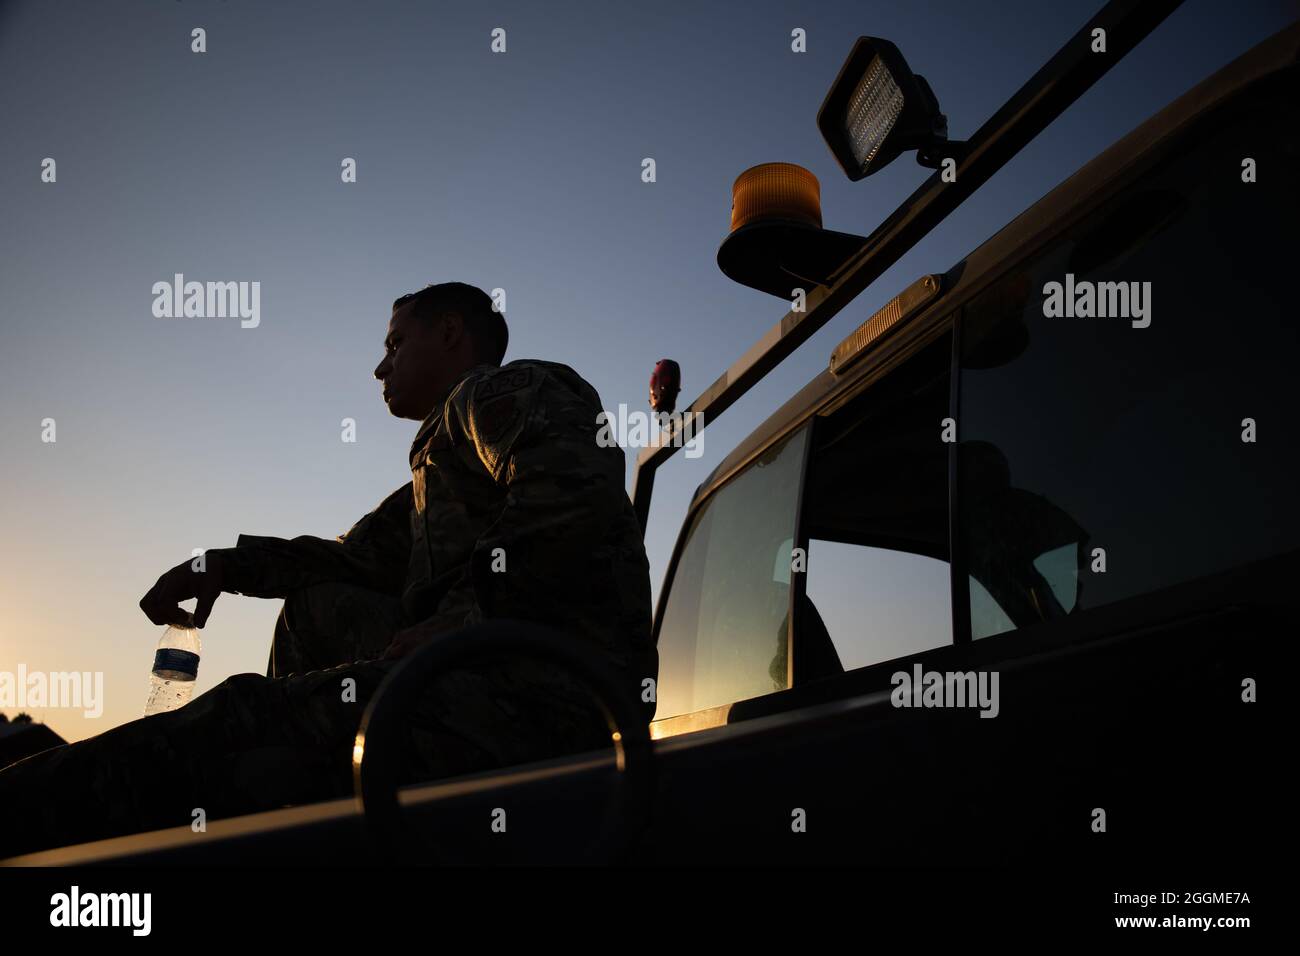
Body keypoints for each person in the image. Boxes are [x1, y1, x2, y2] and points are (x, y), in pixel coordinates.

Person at [0, 282, 657, 859]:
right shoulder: (437, 470)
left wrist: (466, 618)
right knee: (314, 609)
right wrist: (220, 568)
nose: (381, 365)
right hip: (498, 684)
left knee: (239, 721)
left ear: (451, 333)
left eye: (396, 343)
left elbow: (574, 486)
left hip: (552, 695)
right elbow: (346, 558)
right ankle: (302, 782)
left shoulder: (505, 391)